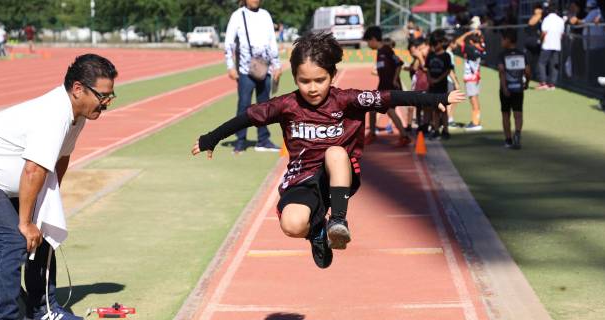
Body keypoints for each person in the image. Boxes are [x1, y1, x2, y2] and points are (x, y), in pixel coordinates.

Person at [192, 32, 465, 269]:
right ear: (295, 77)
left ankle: (337, 221)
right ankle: (318, 233)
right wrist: (211, 139)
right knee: (291, 225)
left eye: (320, 80)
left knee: (335, 152)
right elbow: (247, 117)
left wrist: (435, 98)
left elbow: (390, 96)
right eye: (304, 81)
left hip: (339, 174)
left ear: (332, 75)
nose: (312, 88)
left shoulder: (346, 100)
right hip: (302, 178)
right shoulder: (286, 105)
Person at [0, 54, 118, 320]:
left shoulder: (76, 116)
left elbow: (61, 159)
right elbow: (33, 169)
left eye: (111, 96)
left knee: (43, 225)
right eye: (103, 96)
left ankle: (40, 309)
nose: (107, 103)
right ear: (78, 89)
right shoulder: (53, 115)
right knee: (14, 238)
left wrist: (45, 205)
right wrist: (25, 222)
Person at [224, 0, 282, 153]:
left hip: (264, 68)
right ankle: (240, 140)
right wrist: (230, 66)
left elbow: (272, 42)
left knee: (264, 105)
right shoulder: (237, 16)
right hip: (245, 70)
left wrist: (277, 65)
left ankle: (263, 140)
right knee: (244, 105)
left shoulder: (265, 15)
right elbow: (229, 42)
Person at [362, 26, 411, 146]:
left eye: (368, 41)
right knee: (373, 109)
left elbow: (399, 63)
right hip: (383, 86)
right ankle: (372, 134)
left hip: (391, 87)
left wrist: (394, 80)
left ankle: (404, 136)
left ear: (373, 39)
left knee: (390, 110)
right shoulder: (380, 52)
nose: (367, 44)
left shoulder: (386, 50)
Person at [498, 30, 530, 150]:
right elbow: (527, 71)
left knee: (505, 114)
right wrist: (526, 82)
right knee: (518, 113)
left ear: (508, 40)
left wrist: (504, 87)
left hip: (506, 88)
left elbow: (501, 71)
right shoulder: (522, 55)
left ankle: (508, 139)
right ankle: (517, 134)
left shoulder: (502, 55)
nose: (501, 42)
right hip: (518, 88)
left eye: (503, 39)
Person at [425, 31, 458, 139]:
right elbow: (427, 69)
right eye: (433, 44)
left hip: (442, 86)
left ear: (440, 43)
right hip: (432, 86)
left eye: (436, 44)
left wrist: (438, 79)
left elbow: (448, 70)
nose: (434, 46)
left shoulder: (446, 56)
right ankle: (436, 130)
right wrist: (430, 79)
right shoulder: (430, 55)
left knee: (443, 109)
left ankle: (445, 130)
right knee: (435, 109)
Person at [454, 28, 486, 131]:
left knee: (473, 101)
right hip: (475, 78)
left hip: (471, 79)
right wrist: (479, 35)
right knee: (475, 100)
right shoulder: (480, 48)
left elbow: (458, 41)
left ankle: (476, 123)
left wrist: (470, 32)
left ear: (471, 41)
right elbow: (482, 42)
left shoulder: (470, 48)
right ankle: (476, 121)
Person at [538, 4, 564, 90]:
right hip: (556, 45)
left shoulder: (546, 19)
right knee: (554, 64)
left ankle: (543, 82)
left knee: (542, 63)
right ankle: (552, 84)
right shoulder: (560, 20)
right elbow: (561, 34)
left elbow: (544, 32)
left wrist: (540, 40)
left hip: (547, 44)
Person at [524, 3, 544, 81]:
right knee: (535, 60)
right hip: (534, 42)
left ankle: (529, 76)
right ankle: (534, 76)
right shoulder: (539, 18)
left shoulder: (533, 18)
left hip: (530, 41)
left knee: (531, 60)